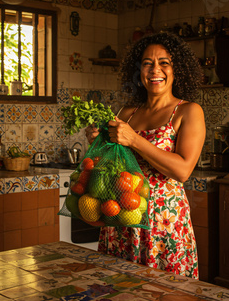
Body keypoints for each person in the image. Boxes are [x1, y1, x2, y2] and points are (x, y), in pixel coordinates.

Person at [85, 32, 206, 279]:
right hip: (121, 219)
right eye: (147, 63)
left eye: (164, 62)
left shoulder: (188, 111)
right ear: (139, 70)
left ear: (177, 69)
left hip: (163, 224)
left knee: (166, 294)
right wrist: (97, 143)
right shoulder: (127, 112)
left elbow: (182, 171)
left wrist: (134, 140)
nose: (155, 70)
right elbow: (112, 167)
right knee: (118, 292)